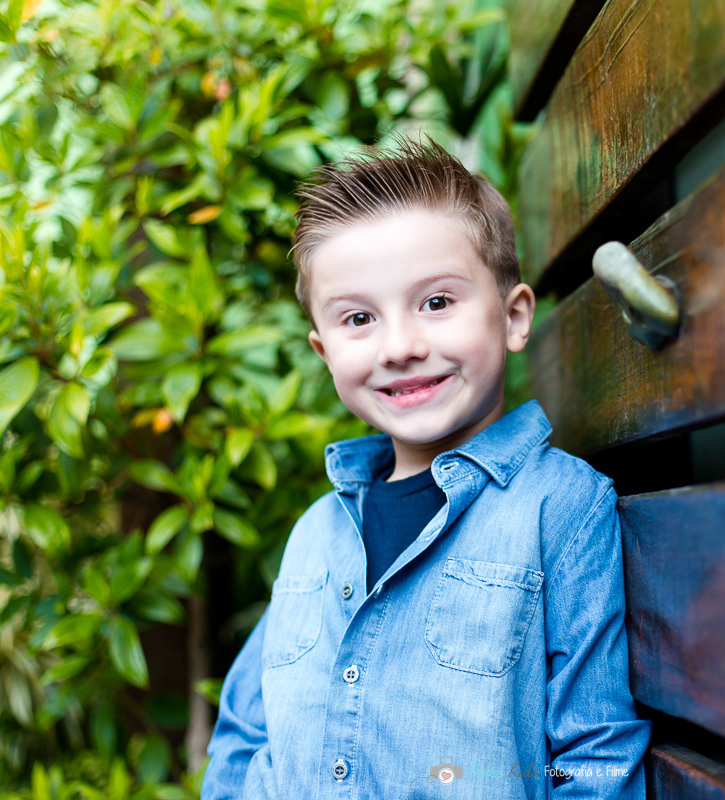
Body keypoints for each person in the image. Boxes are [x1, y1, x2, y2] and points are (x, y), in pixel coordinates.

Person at [201, 134, 650, 799]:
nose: (401, 346)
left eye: (436, 302)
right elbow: (244, 735)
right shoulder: (316, 534)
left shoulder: (560, 508)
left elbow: (595, 754)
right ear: (325, 353)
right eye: (359, 318)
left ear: (513, 316)